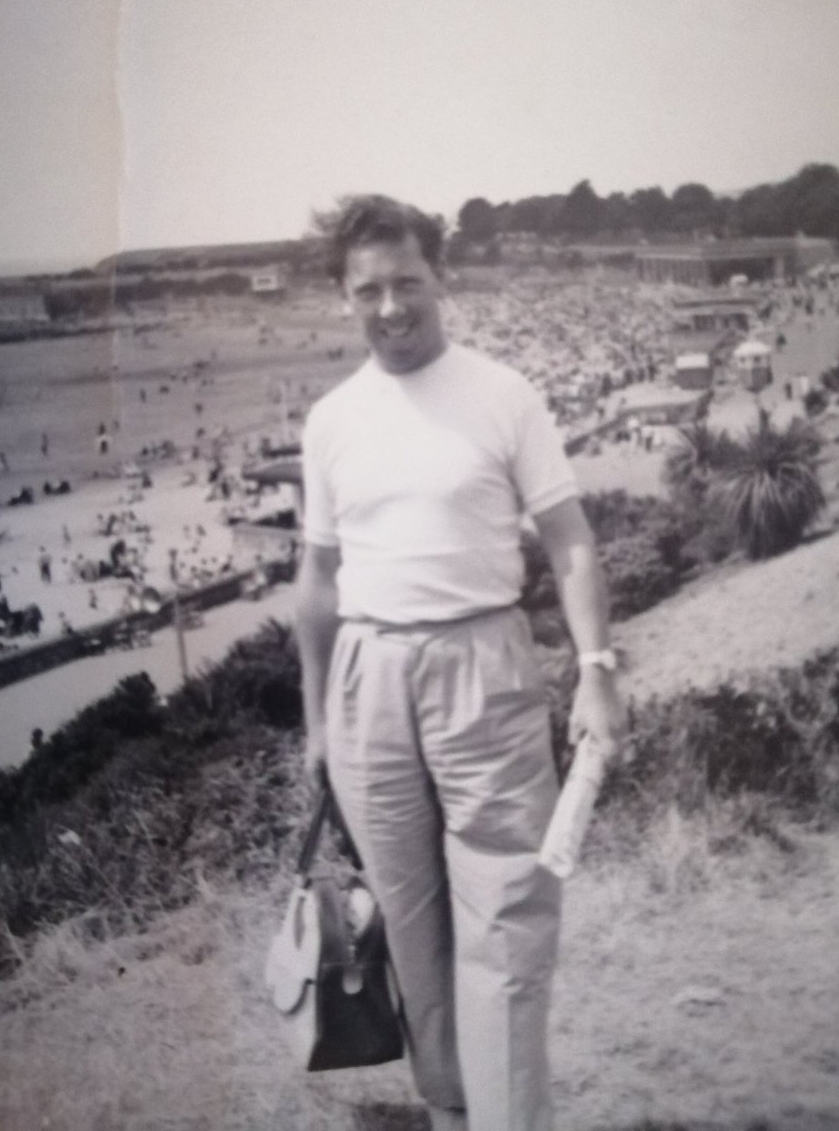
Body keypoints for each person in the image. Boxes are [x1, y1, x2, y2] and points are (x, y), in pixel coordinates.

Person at [295, 196, 625, 1131]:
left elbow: (570, 541)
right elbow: (316, 577)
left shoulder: (502, 394)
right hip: (367, 683)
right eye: (369, 289)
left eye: (408, 283)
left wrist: (596, 667)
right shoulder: (330, 420)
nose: (392, 306)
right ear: (343, 297)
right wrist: (319, 721)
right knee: (409, 923)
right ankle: (449, 1109)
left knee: (509, 915)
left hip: (484, 663)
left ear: (441, 279)